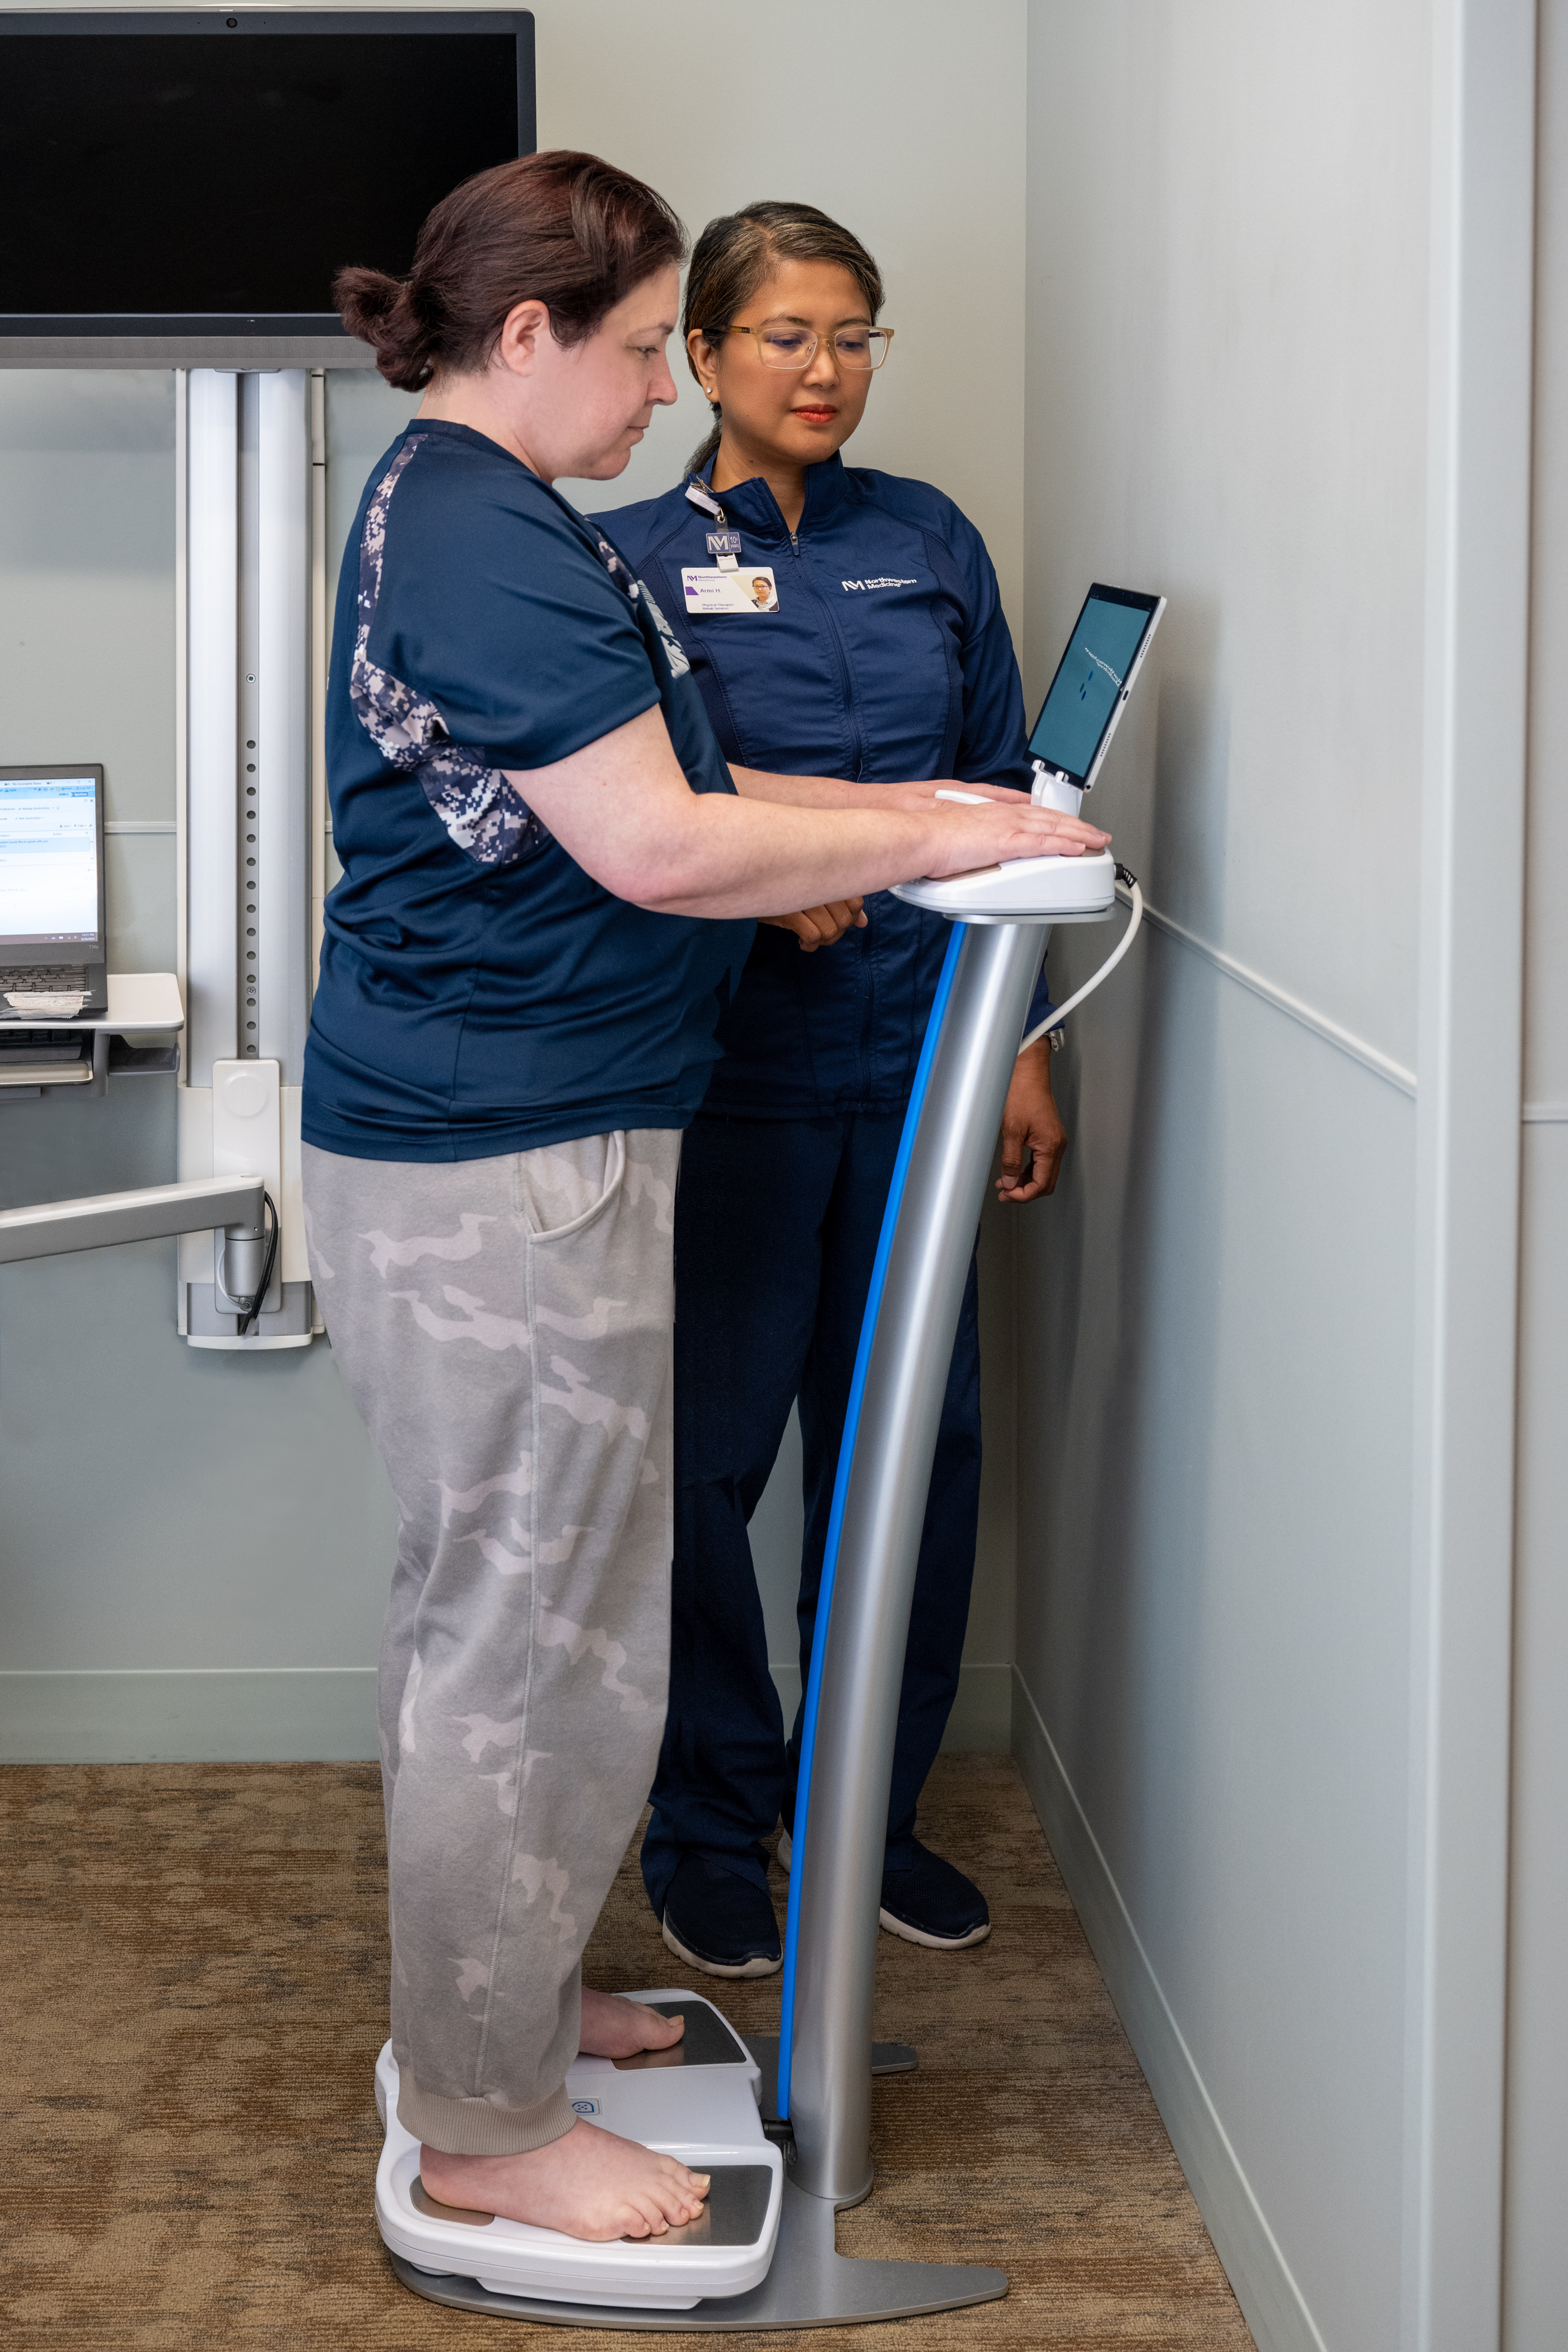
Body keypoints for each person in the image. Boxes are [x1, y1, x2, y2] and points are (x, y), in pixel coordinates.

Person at [301, 154, 1107, 2246]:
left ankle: (508, 2015)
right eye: (653, 346)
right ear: (533, 332)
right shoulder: (489, 538)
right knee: (533, 1648)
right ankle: (483, 2124)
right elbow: (661, 847)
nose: (665, 390)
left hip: (526, 1128)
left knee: (524, 1629)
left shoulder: (475, 509)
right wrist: (926, 838)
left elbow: (697, 793)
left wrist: (933, 812)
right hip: (509, 1152)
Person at [599, 201, 1072, 1979]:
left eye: (856, 334)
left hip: (925, 1065)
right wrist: (755, 859)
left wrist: (1021, 1044)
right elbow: (636, 811)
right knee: (710, 1465)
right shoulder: (627, 559)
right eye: (787, 335)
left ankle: (867, 1813)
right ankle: (712, 1821)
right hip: (730, 1075)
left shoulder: (930, 541)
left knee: (915, 1455)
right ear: (704, 356)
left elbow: (1007, 794)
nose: (825, 368)